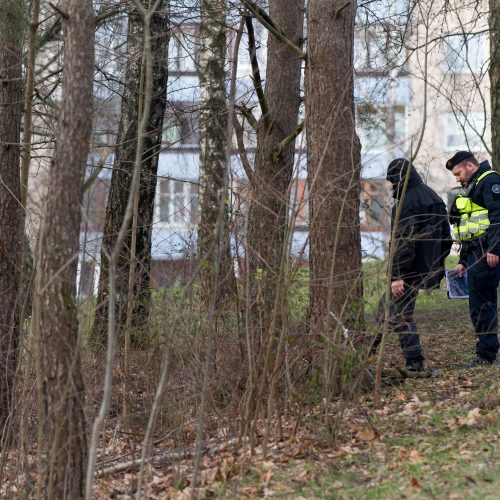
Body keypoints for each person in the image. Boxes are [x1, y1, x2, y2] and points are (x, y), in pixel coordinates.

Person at [374, 158, 452, 372]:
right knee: (384, 310)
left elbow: (404, 242)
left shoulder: (409, 201)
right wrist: (433, 263)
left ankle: (415, 363)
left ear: (400, 179)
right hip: (424, 268)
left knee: (400, 314)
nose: (392, 186)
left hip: (407, 271)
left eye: (393, 182)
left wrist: (397, 275)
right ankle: (366, 354)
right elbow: (447, 237)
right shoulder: (432, 196)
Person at [446, 151, 500, 366]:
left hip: (489, 252)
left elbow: (498, 219)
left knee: (482, 305)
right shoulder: (474, 186)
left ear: (470, 166)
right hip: (477, 253)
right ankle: (487, 350)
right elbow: (471, 229)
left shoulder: (490, 181)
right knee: (479, 303)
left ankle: (486, 355)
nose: (457, 178)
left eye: (458, 173)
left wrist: (495, 249)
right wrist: (463, 261)